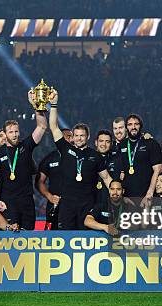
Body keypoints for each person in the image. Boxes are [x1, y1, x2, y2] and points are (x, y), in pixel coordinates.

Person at [48, 89, 113, 229]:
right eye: (76, 135)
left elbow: (107, 178)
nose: (79, 138)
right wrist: (53, 105)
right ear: (72, 137)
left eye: (82, 135)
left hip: (87, 204)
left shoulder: (95, 155)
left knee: (85, 238)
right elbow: (54, 127)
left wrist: (117, 195)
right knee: (65, 237)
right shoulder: (66, 149)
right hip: (67, 204)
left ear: (88, 137)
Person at [0, 90, 47, 230]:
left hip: (27, 201)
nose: (14, 135)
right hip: (9, 201)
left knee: (28, 235)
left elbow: (42, 126)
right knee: (12, 234)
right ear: (4, 134)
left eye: (16, 131)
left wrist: (38, 107)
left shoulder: (25, 146)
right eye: (11, 132)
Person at [117, 114, 162, 206]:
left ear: (140, 126)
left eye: (136, 124)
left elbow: (158, 169)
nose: (133, 127)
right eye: (130, 124)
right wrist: (122, 196)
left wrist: (149, 193)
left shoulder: (151, 143)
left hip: (147, 196)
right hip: (127, 198)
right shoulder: (121, 145)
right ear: (126, 127)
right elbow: (119, 171)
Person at [36, 129, 73, 230]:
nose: (71, 139)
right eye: (67, 136)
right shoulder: (49, 159)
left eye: (71, 136)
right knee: (51, 234)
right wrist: (50, 196)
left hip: (74, 205)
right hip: (55, 205)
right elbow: (39, 182)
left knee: (74, 235)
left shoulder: (79, 156)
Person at [94, 129, 121, 205]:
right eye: (101, 141)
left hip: (109, 202)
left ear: (111, 144)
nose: (104, 144)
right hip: (90, 201)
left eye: (107, 142)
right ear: (96, 142)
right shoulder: (89, 158)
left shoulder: (117, 160)